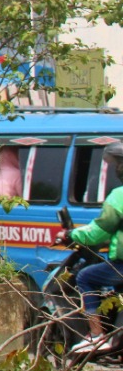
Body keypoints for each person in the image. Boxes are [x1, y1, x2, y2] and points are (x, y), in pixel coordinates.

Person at [63, 141, 123, 353]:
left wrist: (72, 234)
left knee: (86, 277)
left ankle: (97, 336)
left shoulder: (119, 195)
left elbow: (100, 229)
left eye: (117, 164)